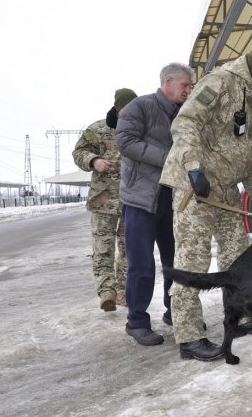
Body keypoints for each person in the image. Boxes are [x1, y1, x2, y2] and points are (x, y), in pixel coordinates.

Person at [160, 45, 252, 361]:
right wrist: (194, 168)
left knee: (237, 256)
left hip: (225, 189)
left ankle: (240, 317)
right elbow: (184, 123)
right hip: (195, 186)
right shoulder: (220, 81)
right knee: (193, 261)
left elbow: (251, 163)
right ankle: (189, 338)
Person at [115, 63, 193, 346]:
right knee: (142, 264)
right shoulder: (141, 106)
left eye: (189, 86)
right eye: (184, 85)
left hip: (171, 199)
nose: (188, 90)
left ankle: (174, 311)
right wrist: (167, 159)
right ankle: (136, 321)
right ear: (168, 81)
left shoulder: (184, 112)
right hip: (139, 201)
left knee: (176, 260)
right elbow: (124, 141)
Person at [72, 87, 137, 312]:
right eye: (127, 109)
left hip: (131, 200)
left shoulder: (139, 129)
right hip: (103, 200)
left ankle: (123, 291)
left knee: (129, 249)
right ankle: (106, 292)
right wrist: (94, 160)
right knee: (103, 248)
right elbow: (78, 152)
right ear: (118, 108)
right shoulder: (98, 129)